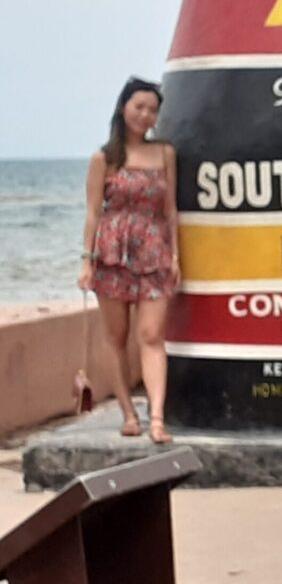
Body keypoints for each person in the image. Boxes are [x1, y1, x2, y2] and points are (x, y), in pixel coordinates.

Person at [77, 77, 180, 444]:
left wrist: (175, 257)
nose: (146, 115)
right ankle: (127, 413)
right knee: (116, 338)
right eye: (139, 107)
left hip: (154, 251)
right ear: (124, 108)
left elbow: (170, 211)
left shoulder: (165, 153)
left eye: (152, 110)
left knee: (152, 336)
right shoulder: (104, 158)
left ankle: (156, 417)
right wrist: (87, 262)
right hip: (111, 252)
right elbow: (93, 213)